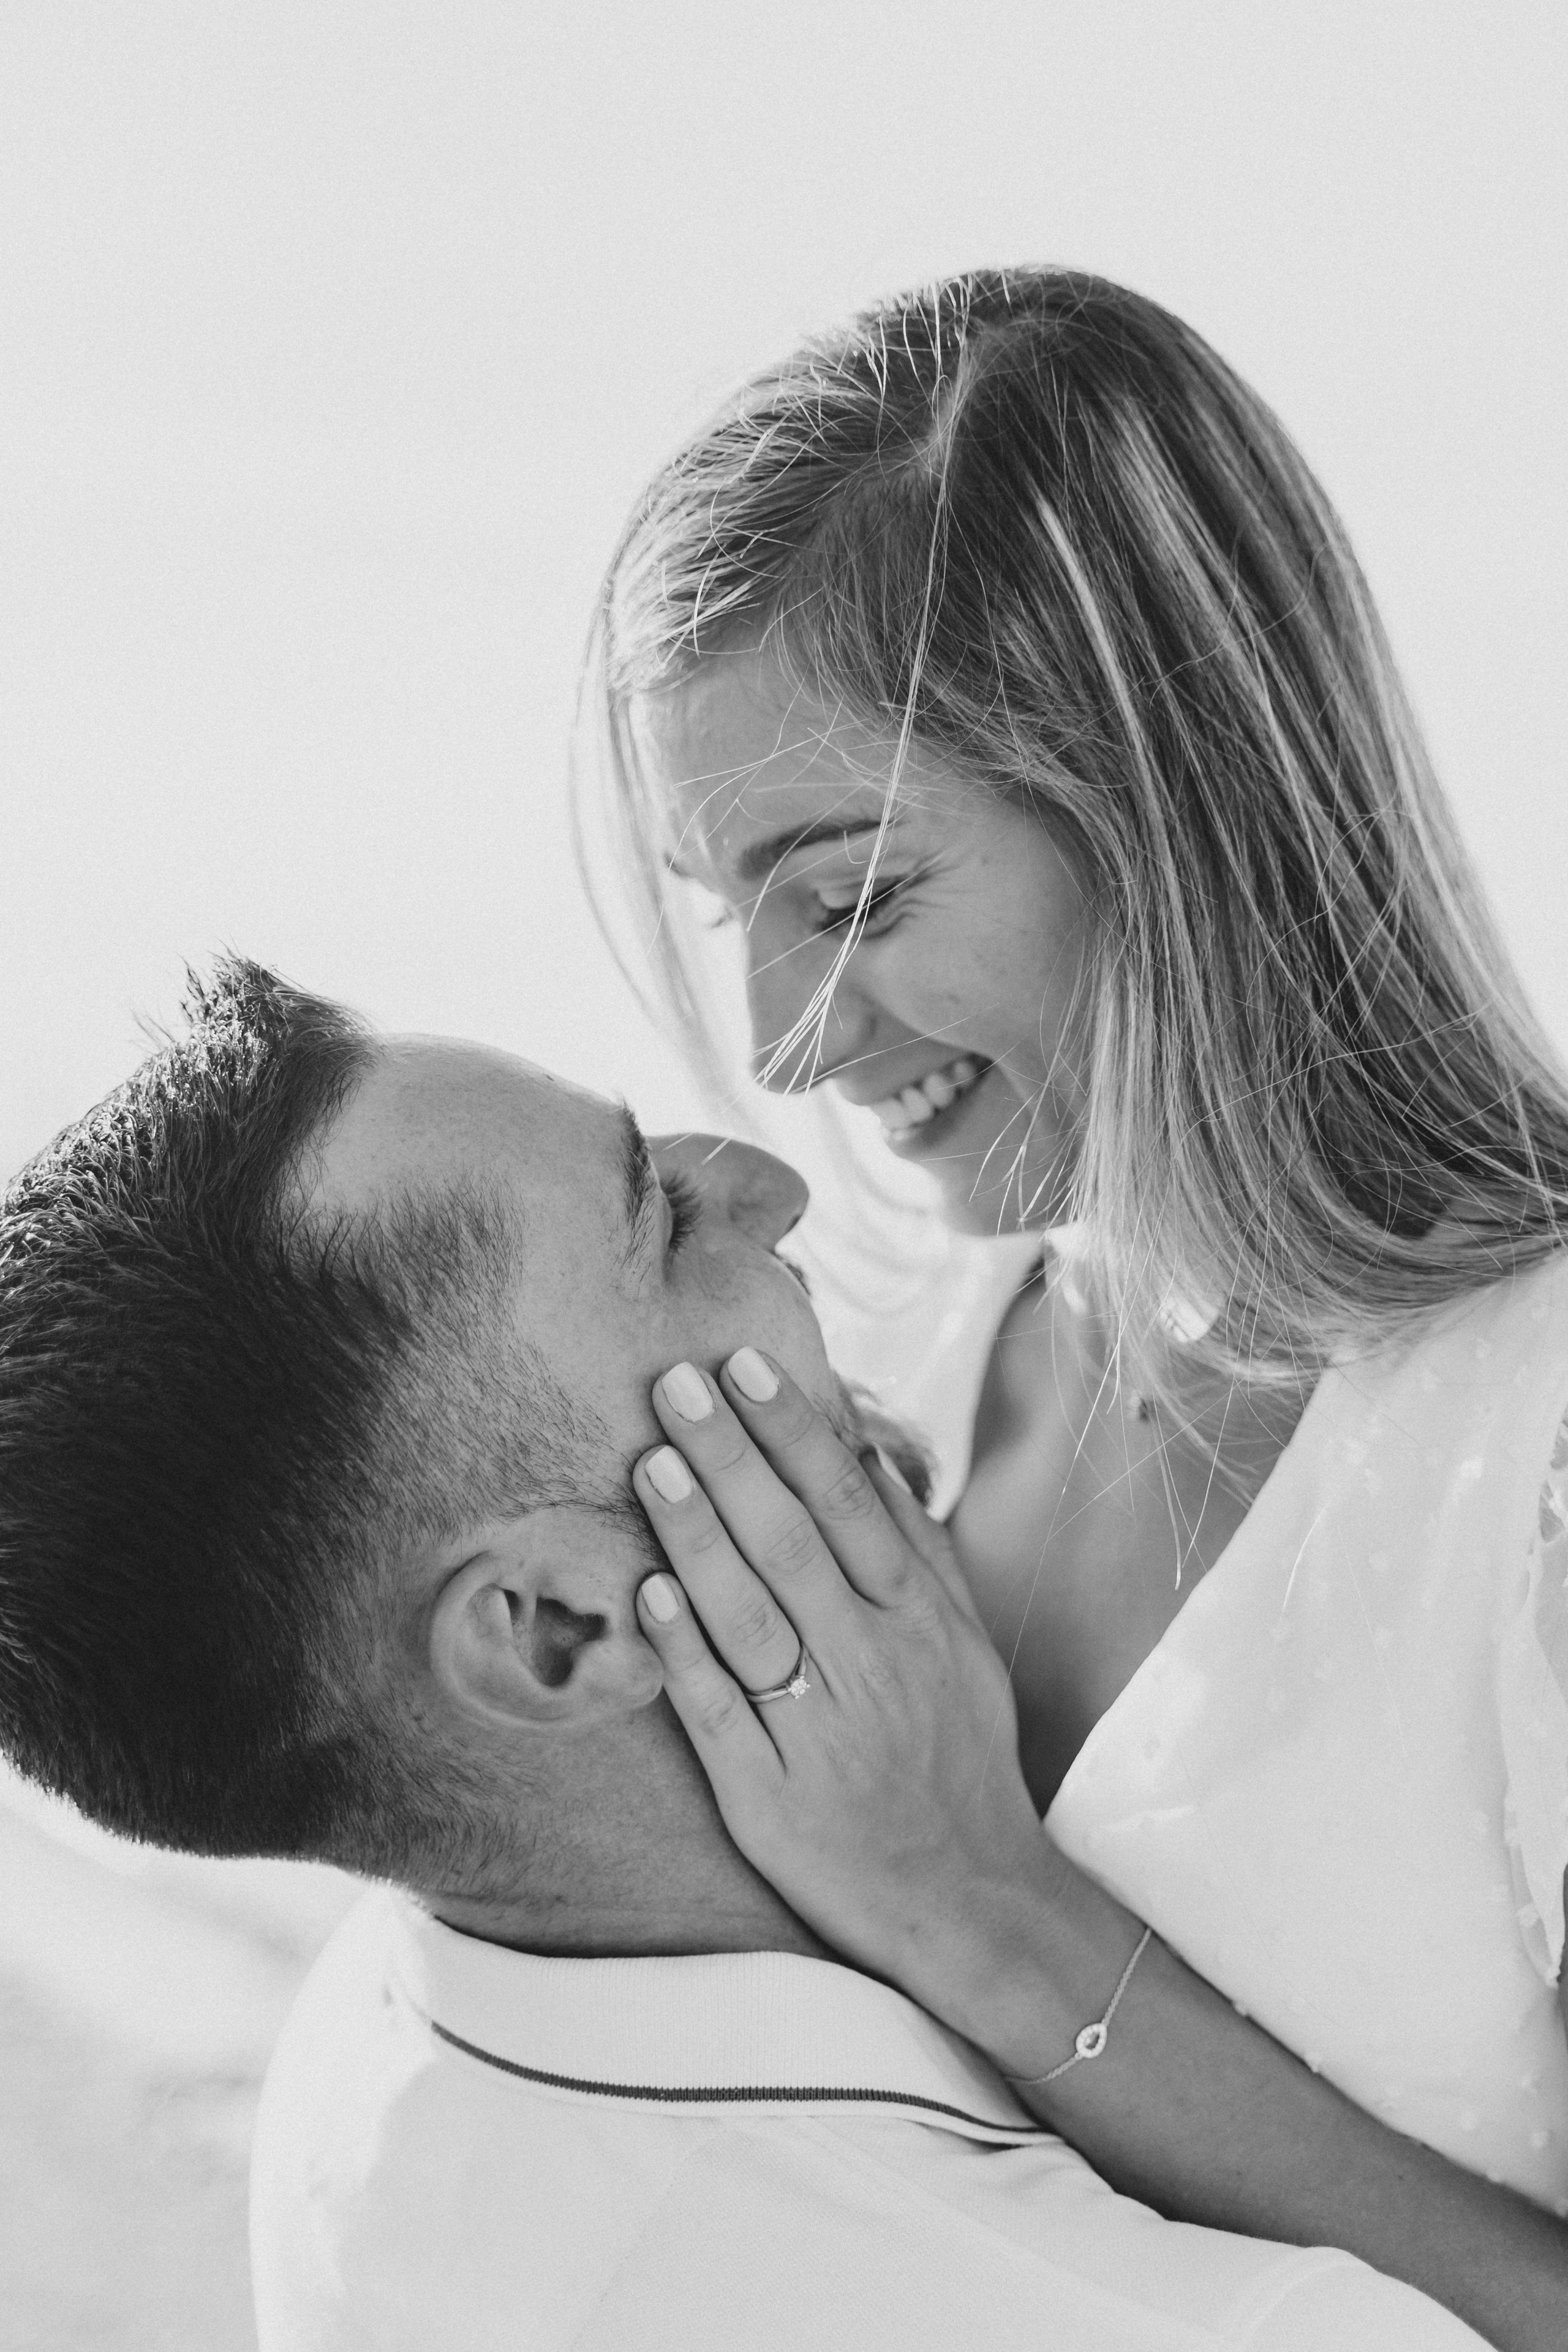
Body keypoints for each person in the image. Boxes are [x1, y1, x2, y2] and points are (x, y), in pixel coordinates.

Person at [0, 959, 1477, 2351]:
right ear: (560, 1631)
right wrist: (1003, 1922)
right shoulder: (1020, 2304)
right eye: (659, 1224)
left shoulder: (382, 2033)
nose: (767, 1182)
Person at [582, 268, 1568, 2349]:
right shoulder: (910, 1365)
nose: (778, 1038)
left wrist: (987, 1912)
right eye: (728, 910)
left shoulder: (1535, 1440)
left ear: (1174, 799)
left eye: (853, 896)